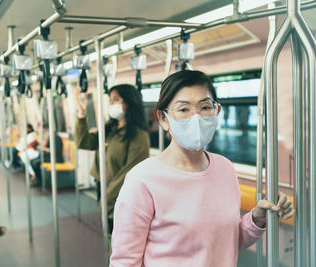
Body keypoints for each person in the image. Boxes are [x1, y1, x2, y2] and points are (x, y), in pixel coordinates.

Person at [110, 70, 294, 266]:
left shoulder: (225, 168)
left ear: (217, 111)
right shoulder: (142, 179)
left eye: (205, 107)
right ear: (163, 119)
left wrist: (257, 219)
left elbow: (230, 240)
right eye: (183, 110)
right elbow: (125, 261)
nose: (196, 117)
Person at [75, 84, 150, 233]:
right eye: (110, 100)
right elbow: (83, 142)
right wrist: (82, 113)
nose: (111, 104)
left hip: (119, 194)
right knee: (110, 233)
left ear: (128, 103)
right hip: (103, 187)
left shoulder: (139, 136)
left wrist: (107, 198)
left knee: (121, 236)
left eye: (115, 100)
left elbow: (129, 173)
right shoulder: (110, 130)